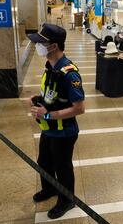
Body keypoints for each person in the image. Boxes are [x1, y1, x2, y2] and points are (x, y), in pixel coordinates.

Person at [28, 23, 85, 219]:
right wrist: (39, 99)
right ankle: (50, 188)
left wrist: (47, 114)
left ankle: (67, 199)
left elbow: (79, 108)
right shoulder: (50, 67)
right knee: (44, 162)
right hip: (49, 129)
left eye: (40, 43)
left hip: (64, 131)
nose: (37, 46)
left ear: (53, 46)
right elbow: (53, 96)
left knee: (63, 167)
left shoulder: (69, 74)